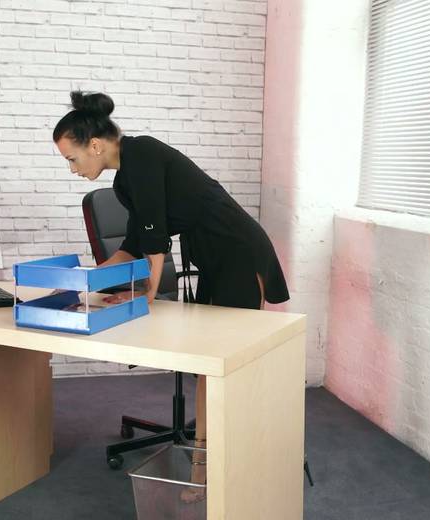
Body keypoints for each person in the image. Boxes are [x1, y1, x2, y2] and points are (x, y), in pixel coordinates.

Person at [53, 91, 290, 497]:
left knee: (221, 369)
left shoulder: (141, 154)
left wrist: (147, 293)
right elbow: (133, 243)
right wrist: (84, 281)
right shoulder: (126, 179)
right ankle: (210, 465)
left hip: (238, 253)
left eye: (72, 159)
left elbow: (154, 237)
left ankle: (207, 474)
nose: (73, 169)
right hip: (215, 259)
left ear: (95, 146)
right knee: (212, 369)